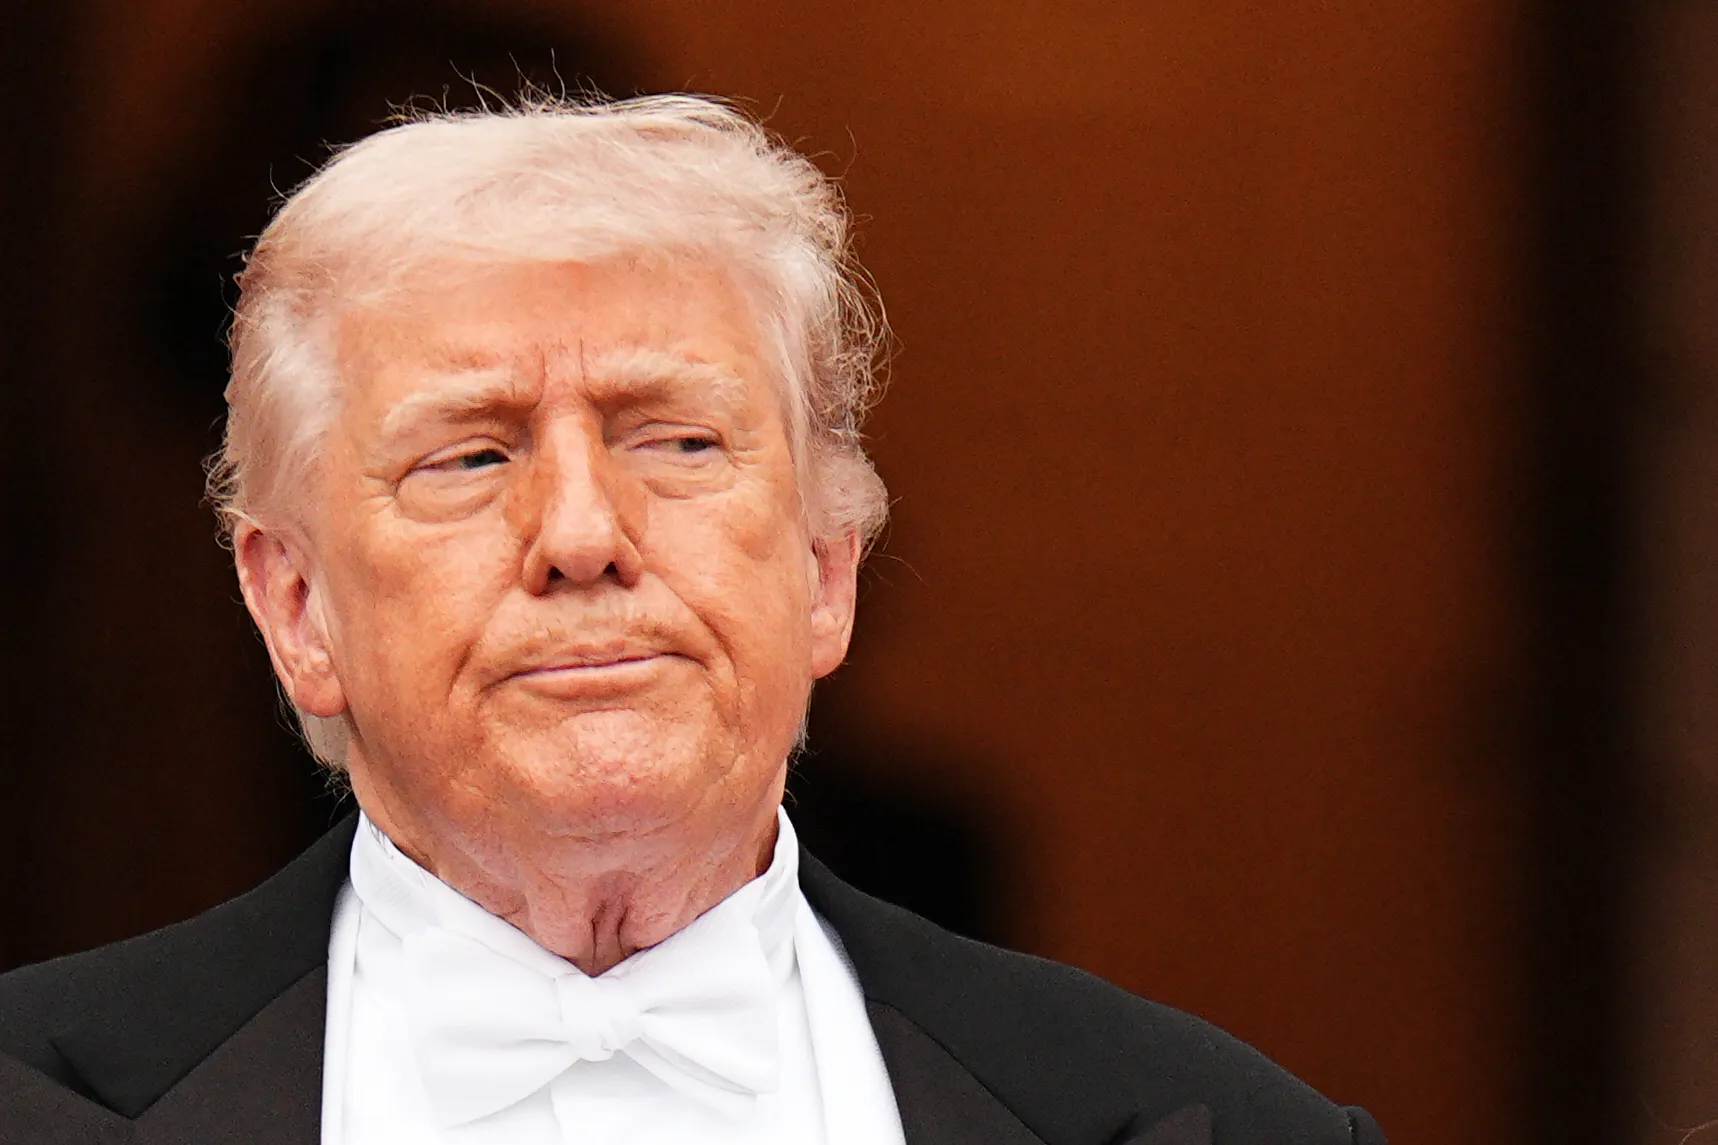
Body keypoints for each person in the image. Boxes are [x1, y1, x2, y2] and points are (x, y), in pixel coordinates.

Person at [0, 95, 1386, 1145]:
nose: (585, 537)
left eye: (675, 442)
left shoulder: (1211, 1123)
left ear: (826, 567)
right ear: (294, 605)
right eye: (472, 457)